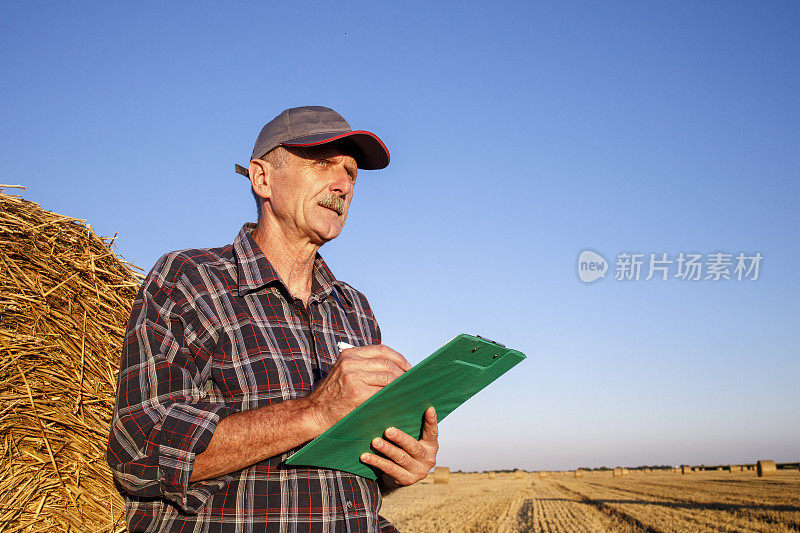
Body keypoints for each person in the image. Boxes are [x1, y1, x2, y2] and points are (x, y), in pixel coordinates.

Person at [107, 106, 439, 532]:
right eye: (322, 163)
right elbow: (140, 451)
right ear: (262, 178)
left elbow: (355, 469)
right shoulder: (189, 281)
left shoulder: (355, 309)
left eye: (351, 172)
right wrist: (314, 411)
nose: (342, 185)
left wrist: (398, 464)